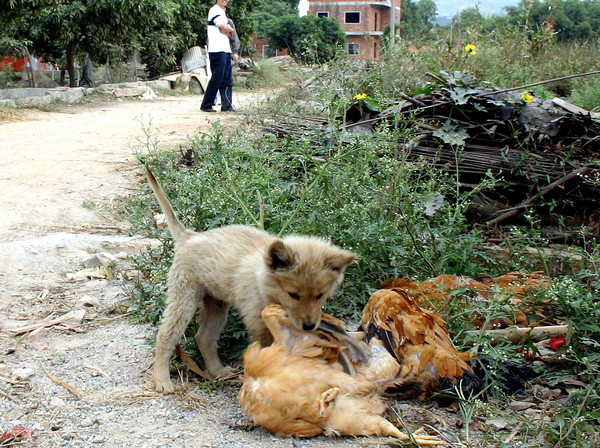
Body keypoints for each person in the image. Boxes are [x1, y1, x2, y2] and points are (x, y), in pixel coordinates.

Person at [200, 0, 237, 113]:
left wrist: (228, 30)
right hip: (217, 50)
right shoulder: (214, 10)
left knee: (227, 79)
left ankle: (227, 105)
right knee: (217, 78)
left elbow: (228, 33)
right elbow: (222, 27)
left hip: (225, 49)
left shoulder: (222, 13)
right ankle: (206, 104)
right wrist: (229, 29)